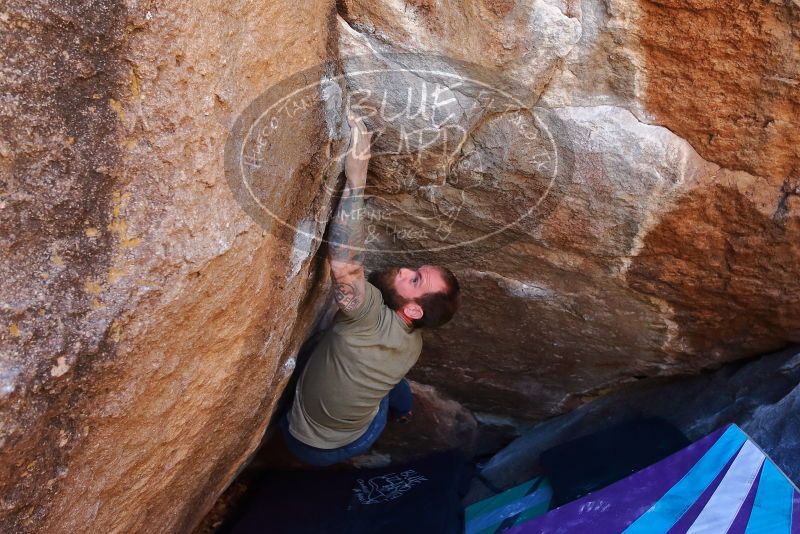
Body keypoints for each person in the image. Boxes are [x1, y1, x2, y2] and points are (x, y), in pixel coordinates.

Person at [280, 113, 460, 466]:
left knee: (317, 343)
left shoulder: (368, 315)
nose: (405, 269)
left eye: (414, 280)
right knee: (388, 383)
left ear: (413, 309)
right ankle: (403, 409)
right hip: (361, 433)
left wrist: (357, 179)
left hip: (306, 444)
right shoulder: (414, 343)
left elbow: (345, 265)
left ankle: (399, 406)